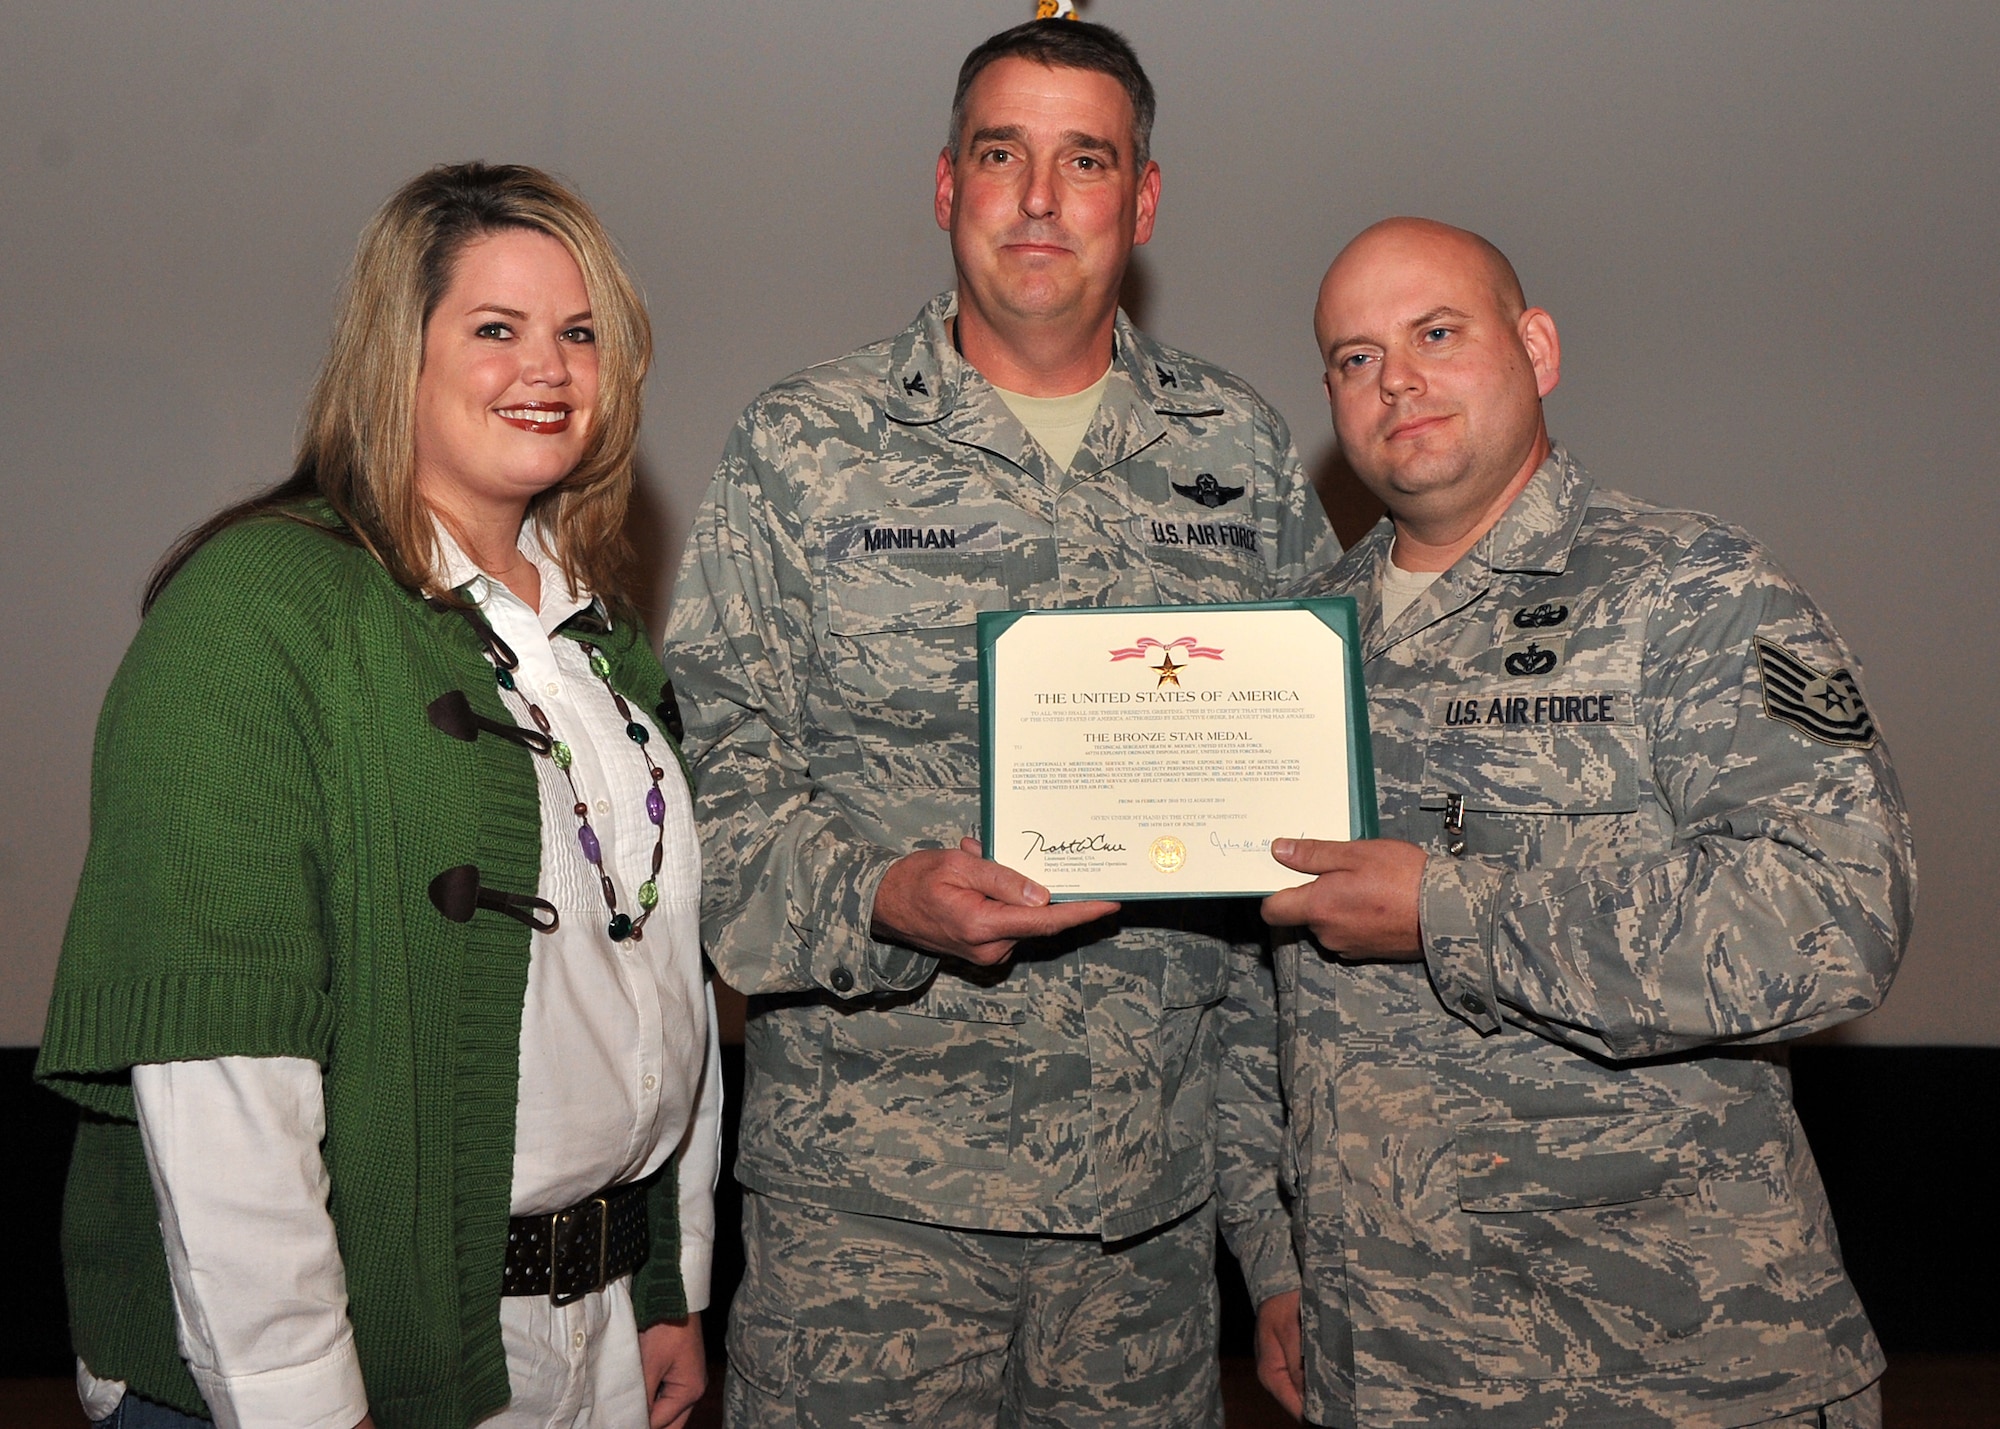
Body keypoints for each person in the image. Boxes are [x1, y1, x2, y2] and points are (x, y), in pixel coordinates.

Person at [663, 18, 1336, 1427]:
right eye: (1000, 154)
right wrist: (883, 896)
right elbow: (711, 817)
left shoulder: (1243, 451)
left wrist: (1273, 1244)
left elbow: (1297, 885)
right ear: (944, 185)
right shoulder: (802, 448)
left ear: (1141, 201)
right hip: (868, 1227)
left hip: (1146, 1246)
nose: (1039, 197)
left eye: (1083, 159)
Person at [37, 163, 720, 1429]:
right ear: (393, 353)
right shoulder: (254, 616)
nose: (549, 368)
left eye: (580, 334)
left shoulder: (601, 644)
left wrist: (665, 1282)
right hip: (319, 1363)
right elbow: (221, 1074)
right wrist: (305, 1407)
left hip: (594, 1337)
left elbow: (651, 985)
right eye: (496, 329)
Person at [1253, 216, 1914, 1427]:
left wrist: (1444, 911)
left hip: (1667, 1365)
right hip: (1382, 1359)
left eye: (1434, 332)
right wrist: (1277, 1259)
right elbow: (1254, 983)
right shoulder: (1293, 641)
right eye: (1351, 357)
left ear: (1536, 348)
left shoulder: (1690, 590)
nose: (1393, 376)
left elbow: (1835, 915)